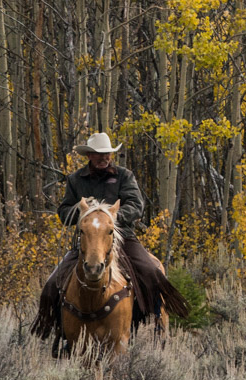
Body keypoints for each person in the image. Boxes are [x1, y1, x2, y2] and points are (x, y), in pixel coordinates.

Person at [33, 133, 187, 340]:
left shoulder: (124, 176)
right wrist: (82, 213)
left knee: (151, 272)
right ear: (89, 155)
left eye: (106, 153)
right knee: (52, 284)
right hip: (88, 241)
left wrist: (112, 218)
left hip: (123, 237)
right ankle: (57, 332)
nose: (103, 157)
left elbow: (136, 205)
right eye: (98, 154)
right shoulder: (75, 179)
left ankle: (156, 322)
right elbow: (63, 212)